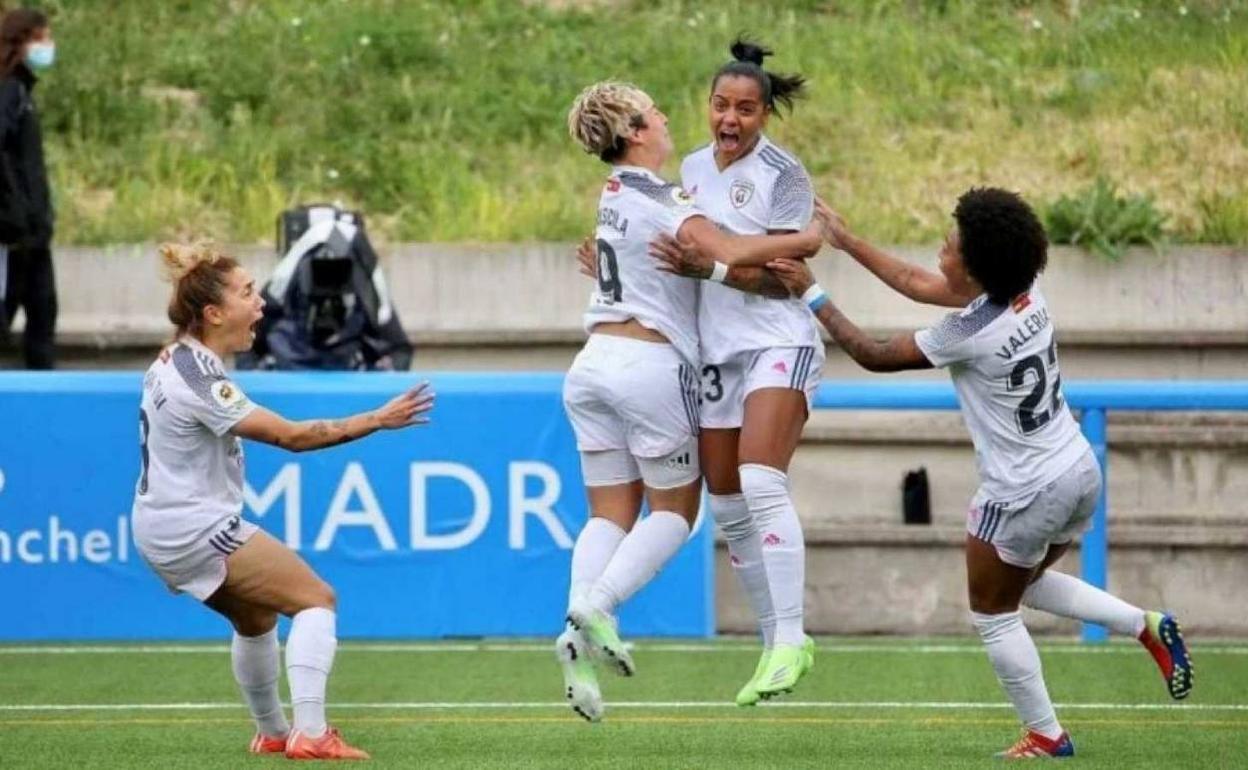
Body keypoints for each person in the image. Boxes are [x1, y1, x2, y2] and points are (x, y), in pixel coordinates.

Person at [760, 188, 1193, 759]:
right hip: (1077, 468)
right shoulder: (1024, 290)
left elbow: (872, 352)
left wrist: (809, 291)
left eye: (952, 242)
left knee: (992, 612)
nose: (943, 244)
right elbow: (919, 283)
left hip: (1023, 489)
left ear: (976, 265)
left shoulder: (967, 334)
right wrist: (844, 241)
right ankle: (1144, 625)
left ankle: (1046, 734)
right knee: (1026, 583)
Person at [561, 81, 820, 722]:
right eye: (654, 112)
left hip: (590, 362)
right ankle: (598, 606)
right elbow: (725, 250)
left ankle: (574, 629)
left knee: (609, 515)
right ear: (636, 130)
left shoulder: (613, 191)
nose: (667, 116)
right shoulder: (663, 188)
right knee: (678, 512)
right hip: (650, 364)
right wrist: (806, 238)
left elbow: (653, 257)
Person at [132, 243, 435, 760]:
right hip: (193, 527)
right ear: (214, 313)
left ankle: (272, 730)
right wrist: (376, 420)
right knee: (316, 600)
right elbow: (293, 437)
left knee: (256, 620)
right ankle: (312, 734)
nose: (262, 305)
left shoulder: (178, 357)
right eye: (249, 294)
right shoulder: (198, 377)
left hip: (160, 526)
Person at [673, 37, 822, 705]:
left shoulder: (785, 177)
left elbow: (785, 283)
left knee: (761, 479)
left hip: (777, 340)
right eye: (719, 106)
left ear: (765, 115)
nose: (729, 120)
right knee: (728, 505)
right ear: (707, 107)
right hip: (717, 352)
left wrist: (718, 263)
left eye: (745, 110)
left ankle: (793, 638)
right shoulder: (690, 169)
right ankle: (771, 644)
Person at [0, 8, 56, 369]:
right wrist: (15, 211)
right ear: (21, 42)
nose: (48, 45)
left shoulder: (21, 91)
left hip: (32, 232)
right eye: (42, 37)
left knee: (43, 311)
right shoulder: (9, 91)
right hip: (15, 231)